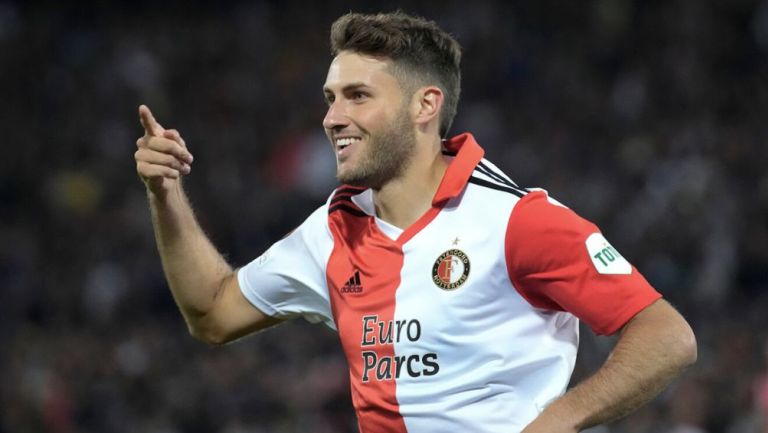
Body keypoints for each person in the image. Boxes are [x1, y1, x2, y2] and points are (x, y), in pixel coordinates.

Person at [134, 11, 697, 433]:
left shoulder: (516, 220)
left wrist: (557, 422)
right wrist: (165, 194)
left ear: (425, 105)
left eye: (357, 96)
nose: (333, 118)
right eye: (330, 98)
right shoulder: (332, 232)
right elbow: (212, 312)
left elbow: (667, 336)